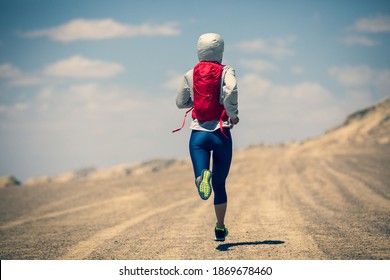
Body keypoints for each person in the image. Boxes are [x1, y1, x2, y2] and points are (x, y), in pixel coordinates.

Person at [175, 33, 239, 241]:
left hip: (198, 136)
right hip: (221, 133)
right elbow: (231, 90)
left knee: (201, 175)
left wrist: (194, 103)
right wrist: (232, 113)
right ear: (220, 51)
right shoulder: (226, 71)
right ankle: (220, 227)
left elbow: (180, 102)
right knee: (220, 184)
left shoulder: (190, 73)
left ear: (199, 51)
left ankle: (203, 177)